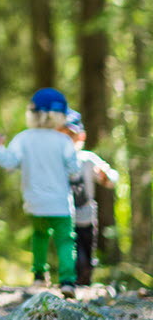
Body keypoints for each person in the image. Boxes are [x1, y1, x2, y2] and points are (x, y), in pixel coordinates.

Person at [0, 87, 81, 298]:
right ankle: (67, 281)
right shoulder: (63, 141)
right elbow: (74, 169)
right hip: (60, 202)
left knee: (39, 236)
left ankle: (39, 276)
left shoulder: (23, 138)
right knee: (65, 240)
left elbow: (9, 162)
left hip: (34, 201)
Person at [62, 109, 118, 286]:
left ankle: (86, 279)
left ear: (81, 136)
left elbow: (112, 178)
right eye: (64, 135)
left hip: (86, 214)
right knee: (71, 248)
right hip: (64, 215)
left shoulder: (87, 159)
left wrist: (105, 176)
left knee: (87, 249)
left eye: (72, 135)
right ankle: (72, 279)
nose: (68, 140)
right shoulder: (58, 160)